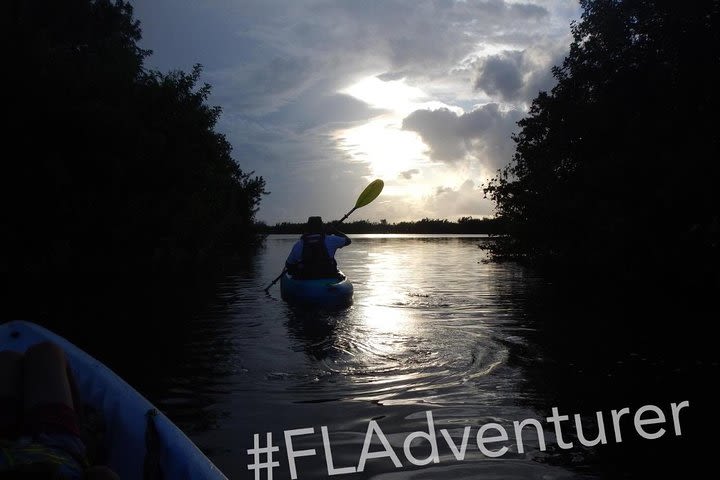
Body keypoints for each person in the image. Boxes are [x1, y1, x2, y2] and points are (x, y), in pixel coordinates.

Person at [0, 341, 119, 479]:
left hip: (6, 449)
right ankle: (82, 432)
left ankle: (82, 431)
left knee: (8, 359)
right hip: (57, 451)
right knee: (46, 351)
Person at [285, 216, 351, 279]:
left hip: (305, 278)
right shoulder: (331, 240)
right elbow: (348, 241)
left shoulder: (299, 244)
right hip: (328, 277)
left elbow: (288, 265)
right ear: (322, 227)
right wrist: (335, 231)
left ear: (308, 228)